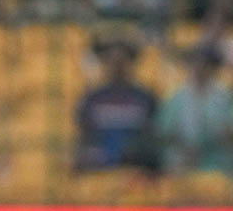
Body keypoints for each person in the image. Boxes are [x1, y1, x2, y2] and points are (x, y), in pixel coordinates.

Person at [75, 36, 158, 171]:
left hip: (137, 171)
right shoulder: (92, 99)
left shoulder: (145, 98)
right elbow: (85, 137)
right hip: (100, 171)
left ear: (131, 63)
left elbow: (152, 136)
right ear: (105, 63)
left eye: (122, 62)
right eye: (112, 61)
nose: (117, 67)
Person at [157, 44, 233, 175]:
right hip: (182, 162)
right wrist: (184, 147)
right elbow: (163, 131)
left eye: (206, 66)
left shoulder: (225, 97)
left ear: (214, 69)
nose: (200, 69)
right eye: (196, 64)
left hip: (219, 163)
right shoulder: (177, 97)